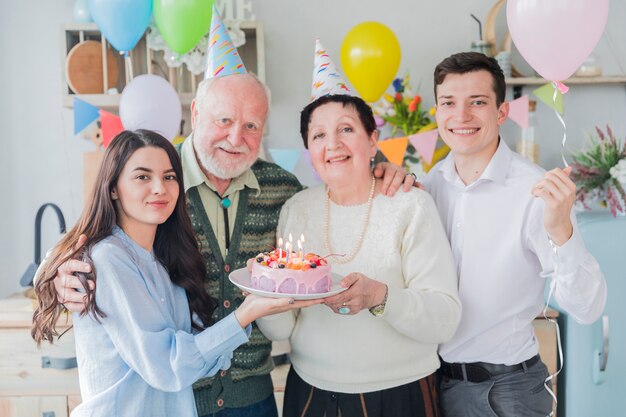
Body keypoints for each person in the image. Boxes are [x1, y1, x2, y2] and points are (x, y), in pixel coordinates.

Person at [48, 18, 414, 417]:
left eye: (251, 125)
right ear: (198, 111)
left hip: (253, 396)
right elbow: (88, 239)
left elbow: (339, 196)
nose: (236, 137)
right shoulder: (156, 182)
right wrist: (55, 272)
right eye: (224, 120)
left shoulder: (282, 188)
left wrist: (385, 172)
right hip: (179, 397)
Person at [32, 130, 318, 417]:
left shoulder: (161, 256)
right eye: (142, 177)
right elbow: (168, 366)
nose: (160, 188)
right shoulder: (108, 257)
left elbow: (189, 357)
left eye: (169, 177)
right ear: (113, 188)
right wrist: (247, 313)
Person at [255, 41, 461, 417]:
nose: (332, 144)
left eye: (346, 129)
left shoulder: (410, 204)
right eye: (318, 135)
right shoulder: (296, 209)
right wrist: (265, 287)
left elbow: (444, 318)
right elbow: (280, 329)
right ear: (308, 149)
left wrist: (380, 297)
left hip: (400, 396)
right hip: (311, 394)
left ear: (372, 141)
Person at [424, 52, 607, 417]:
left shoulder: (535, 191)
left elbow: (587, 309)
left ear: (501, 112)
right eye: (449, 103)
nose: (461, 116)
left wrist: (561, 230)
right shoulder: (427, 188)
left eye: (477, 102)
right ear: (437, 112)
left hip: (505, 393)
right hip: (432, 385)